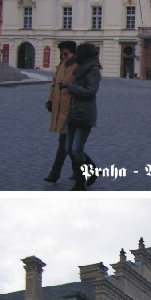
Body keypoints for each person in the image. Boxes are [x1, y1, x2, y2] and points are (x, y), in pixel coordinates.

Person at [59, 42, 102, 191]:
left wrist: (70, 87)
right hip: (74, 111)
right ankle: (93, 170)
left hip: (85, 113)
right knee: (69, 149)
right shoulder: (80, 67)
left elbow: (91, 92)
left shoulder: (94, 70)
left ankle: (80, 183)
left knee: (76, 149)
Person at [44, 41, 77, 184]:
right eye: (62, 53)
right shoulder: (61, 65)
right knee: (70, 145)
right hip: (60, 108)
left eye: (66, 53)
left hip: (71, 110)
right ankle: (79, 171)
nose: (63, 56)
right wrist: (50, 100)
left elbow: (80, 88)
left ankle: (54, 173)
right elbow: (54, 84)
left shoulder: (78, 67)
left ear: (73, 53)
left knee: (64, 144)